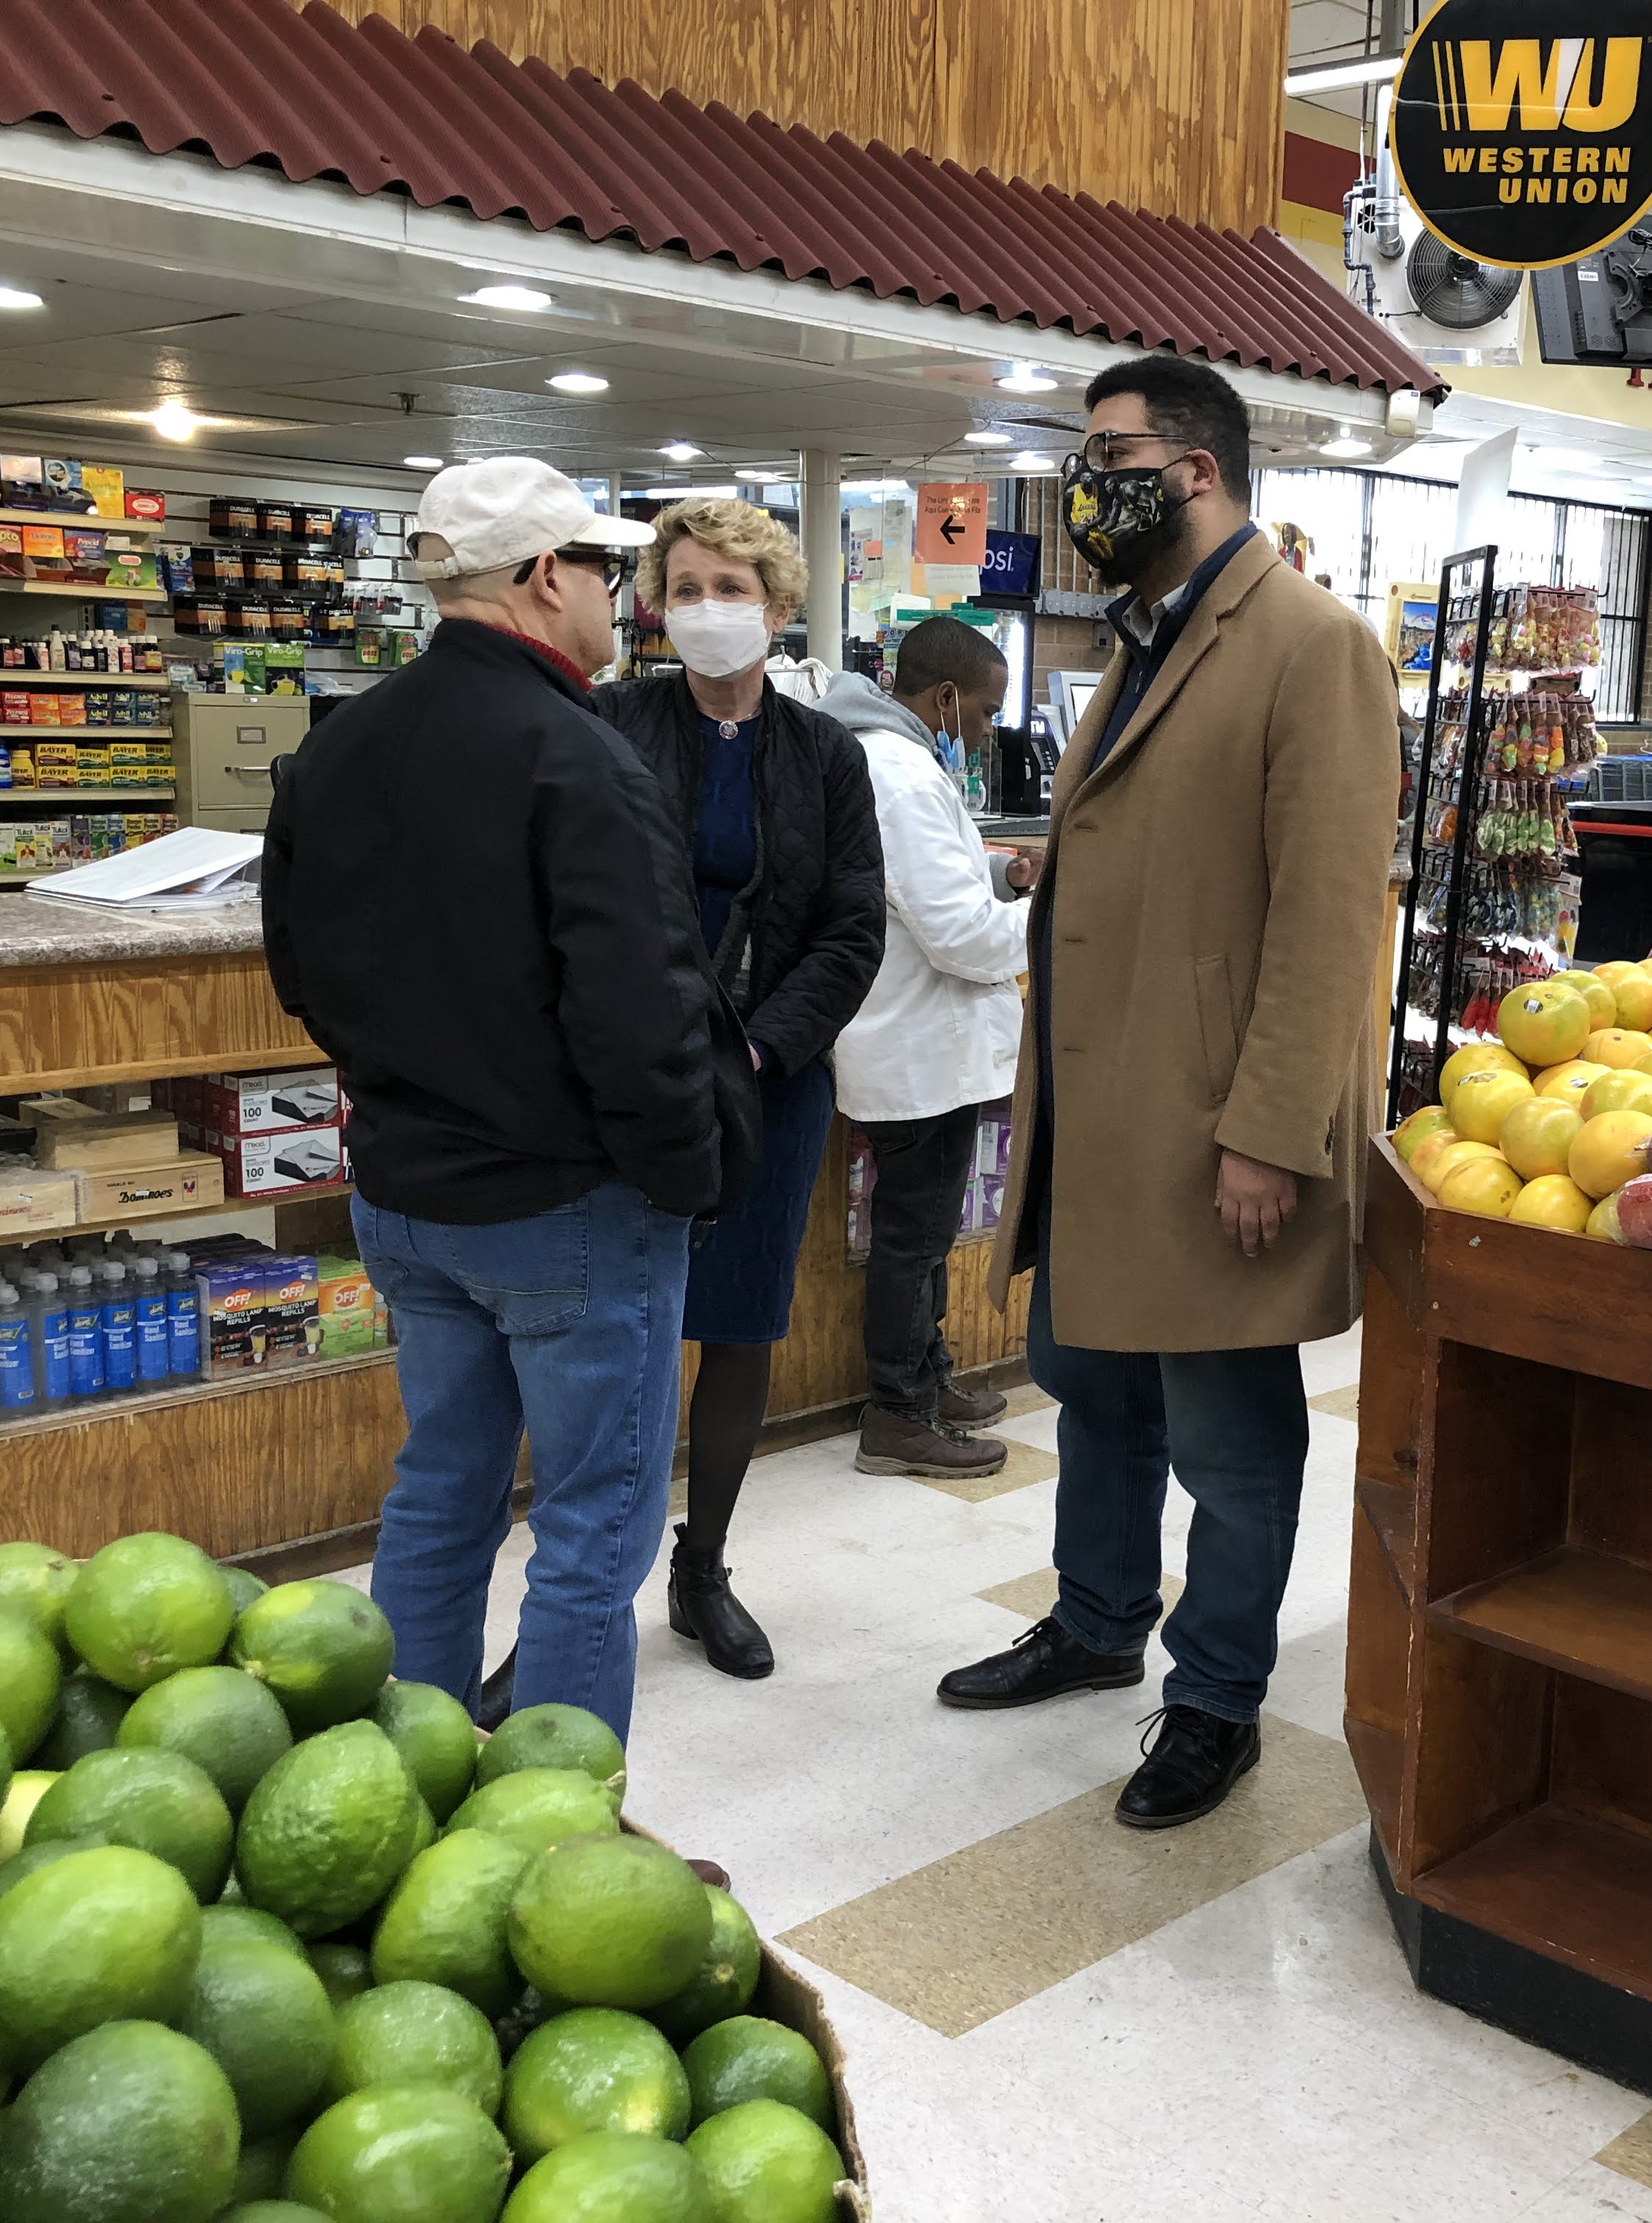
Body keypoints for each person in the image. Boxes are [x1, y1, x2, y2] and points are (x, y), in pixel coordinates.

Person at [934, 356, 1403, 1830]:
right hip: (1099, 1115)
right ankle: (1094, 1621)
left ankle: (1213, 1702)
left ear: (1194, 471)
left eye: (1109, 454)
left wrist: (1269, 1130)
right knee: (1093, 1393)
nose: (1088, 484)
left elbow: (1330, 917)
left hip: (1212, 1125)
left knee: (1231, 1437)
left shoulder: (1310, 644)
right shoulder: (1147, 636)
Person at [262, 457, 754, 1746]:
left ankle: (408, 1787)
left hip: (407, 1195)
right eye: (603, 570)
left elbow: (299, 972)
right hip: (568, 1207)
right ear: (546, 577)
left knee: (440, 1493)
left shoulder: (340, 744)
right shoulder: (573, 755)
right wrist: (682, 1178)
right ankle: (554, 1835)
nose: (619, 598)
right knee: (592, 1528)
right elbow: (641, 1011)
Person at [590, 499, 884, 1682]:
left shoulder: (829, 756)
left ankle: (702, 1568)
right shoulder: (607, 727)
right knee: (620, 1334)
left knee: (739, 1325)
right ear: (657, 602)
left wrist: (759, 1052)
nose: (712, 608)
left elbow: (851, 929)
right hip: (628, 1082)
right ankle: (584, 1607)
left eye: (736, 587)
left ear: (779, 604)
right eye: (690, 585)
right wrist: (648, 1051)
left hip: (770, 1076)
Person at [815, 617, 1034, 1481]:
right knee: (912, 1239)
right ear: (944, 696)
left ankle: (929, 1382)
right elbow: (960, 939)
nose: (987, 728)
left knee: (928, 1232)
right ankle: (897, 1413)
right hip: (916, 1049)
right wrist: (1045, 921)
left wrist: (998, 874)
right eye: (984, 711)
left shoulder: (901, 761)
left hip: (923, 1045)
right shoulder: (898, 772)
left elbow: (920, 889)